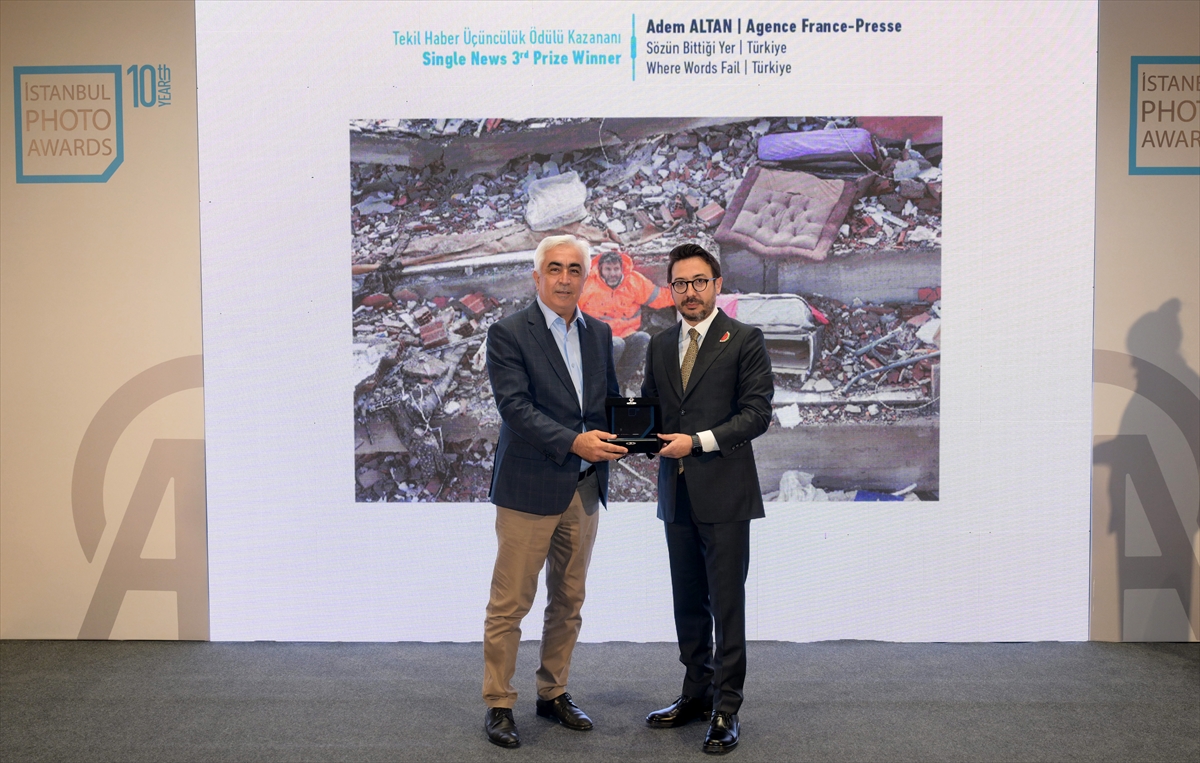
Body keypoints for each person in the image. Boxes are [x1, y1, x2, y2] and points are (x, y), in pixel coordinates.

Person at [481, 234, 628, 749]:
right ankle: (500, 702)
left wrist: (635, 434)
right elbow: (515, 408)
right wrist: (574, 442)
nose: (565, 279)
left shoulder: (599, 332)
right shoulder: (508, 333)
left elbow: (607, 402)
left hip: (583, 490)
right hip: (529, 489)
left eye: (574, 269)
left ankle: (553, 692)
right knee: (510, 604)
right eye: (555, 269)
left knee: (568, 600)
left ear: (586, 277)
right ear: (537, 276)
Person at [640, 243, 774, 755]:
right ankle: (695, 692)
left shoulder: (744, 339)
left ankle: (726, 707)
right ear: (670, 290)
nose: (690, 292)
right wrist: (631, 433)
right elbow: (651, 409)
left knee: (726, 603)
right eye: (680, 283)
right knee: (687, 601)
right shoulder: (659, 344)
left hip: (725, 493)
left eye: (699, 282)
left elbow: (756, 414)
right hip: (675, 493)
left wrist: (696, 442)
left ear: (717, 285)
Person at [578, 249, 674, 394]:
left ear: (622, 269)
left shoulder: (633, 281)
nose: (613, 273)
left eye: (616, 269)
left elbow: (659, 298)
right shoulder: (587, 284)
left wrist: (686, 295)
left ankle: (620, 383)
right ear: (600, 269)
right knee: (616, 344)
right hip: (596, 337)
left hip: (626, 333)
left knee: (643, 338)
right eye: (608, 269)